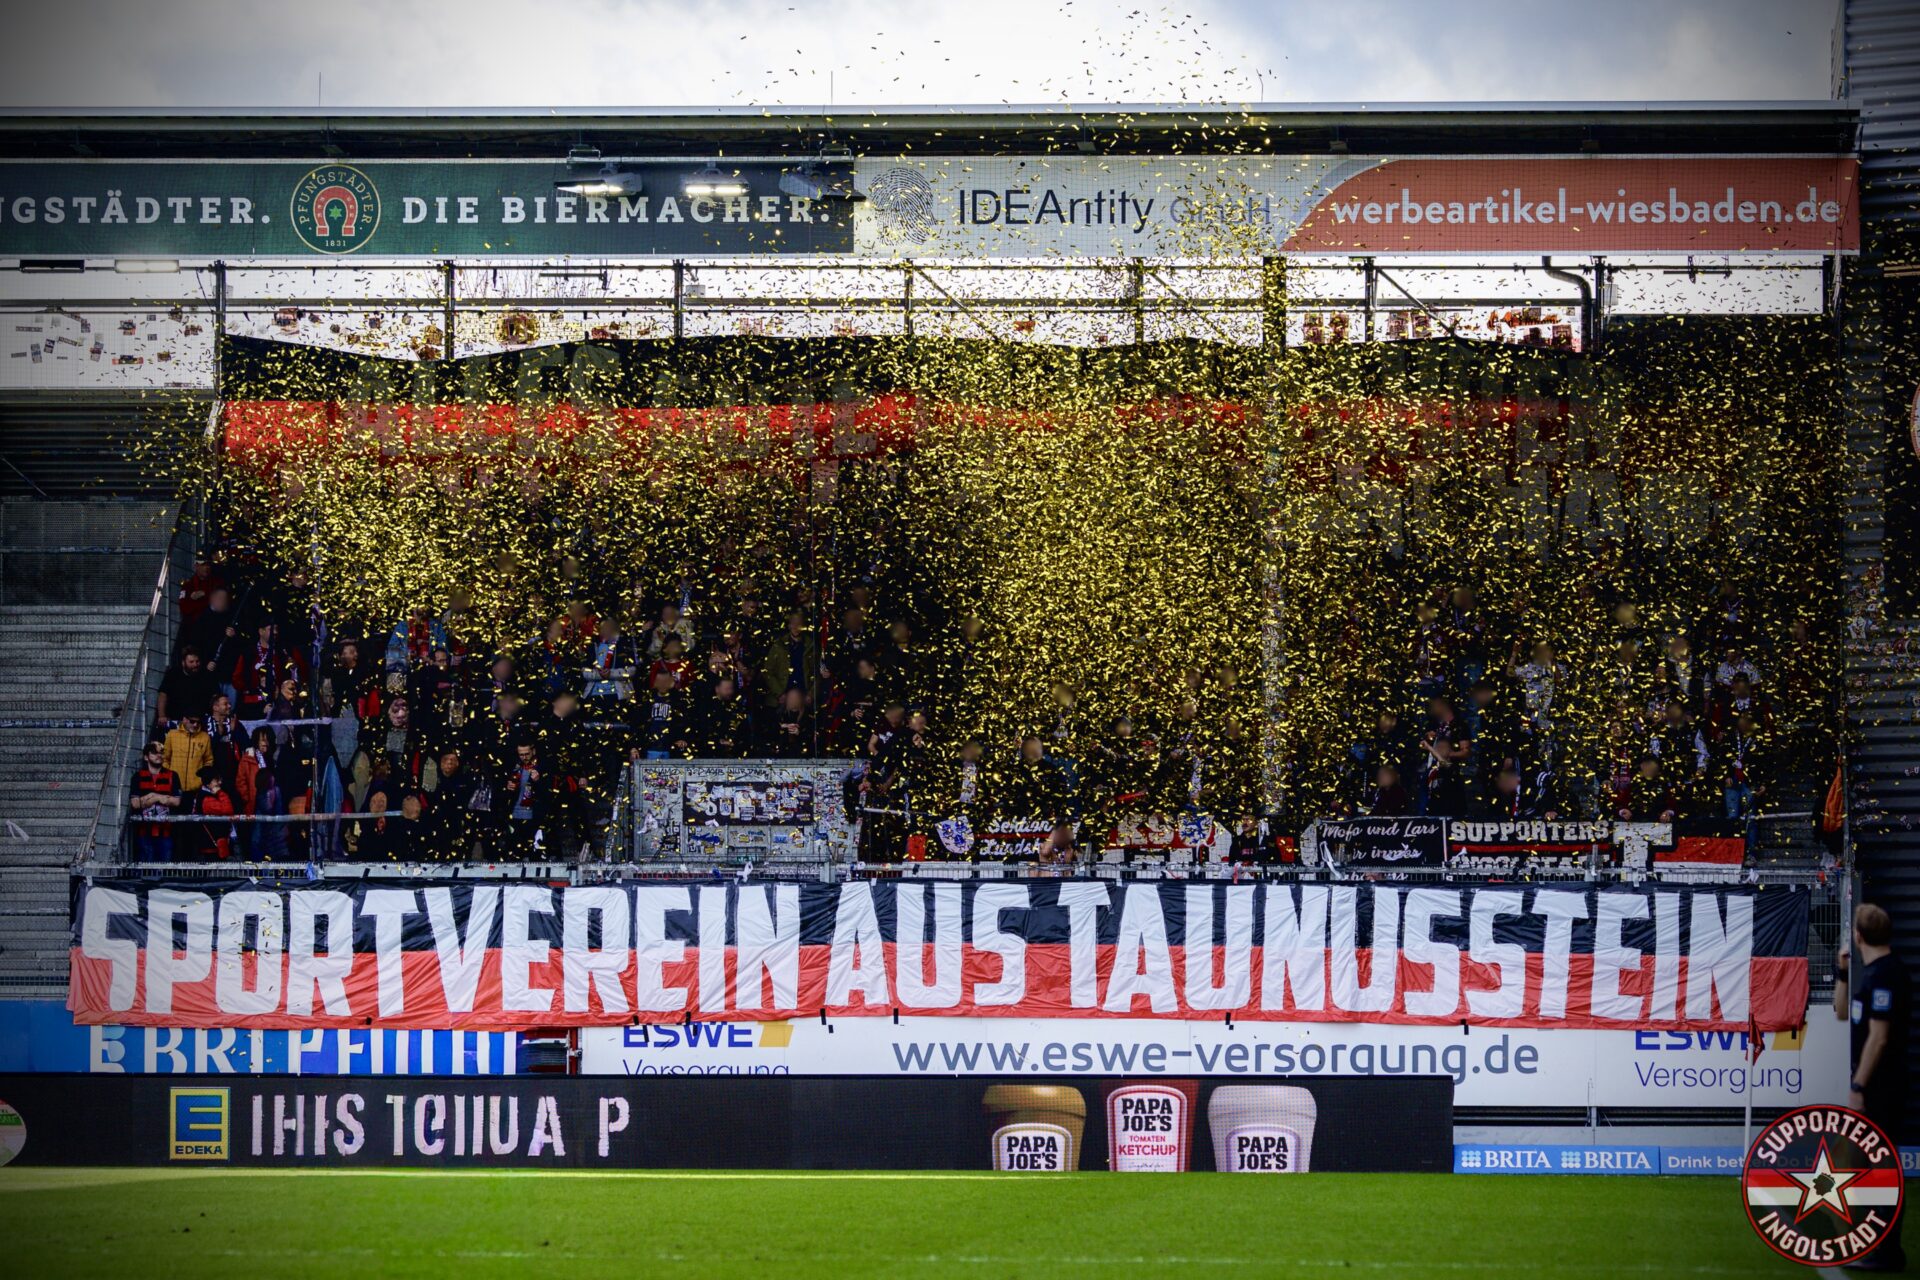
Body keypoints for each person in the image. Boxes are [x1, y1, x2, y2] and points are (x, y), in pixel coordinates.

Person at [1833, 902, 1909, 1273]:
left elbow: (1878, 1039)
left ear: (1859, 935)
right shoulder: (1871, 973)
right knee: (1863, 1166)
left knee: (1880, 1169)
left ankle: (1886, 1250)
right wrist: (1843, 973)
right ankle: (1872, 1243)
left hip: (1882, 1088)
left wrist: (1859, 1085)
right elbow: (1841, 1011)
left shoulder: (1888, 975)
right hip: (1870, 1085)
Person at [128, 740, 181, 863]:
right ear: (146, 757)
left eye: (161, 752)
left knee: (165, 869)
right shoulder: (137, 777)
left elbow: (177, 801)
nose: (159, 755)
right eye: (154, 753)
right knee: (146, 869)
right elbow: (135, 804)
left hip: (166, 832)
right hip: (144, 832)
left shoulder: (173, 775)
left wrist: (153, 796)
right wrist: (161, 798)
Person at [162, 713, 214, 794]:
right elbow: (165, 758)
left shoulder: (205, 737)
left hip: (196, 788)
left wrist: (201, 780)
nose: (195, 724)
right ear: (184, 720)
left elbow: (208, 760)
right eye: (192, 721)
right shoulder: (172, 734)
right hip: (174, 786)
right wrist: (169, 776)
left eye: (198, 722)